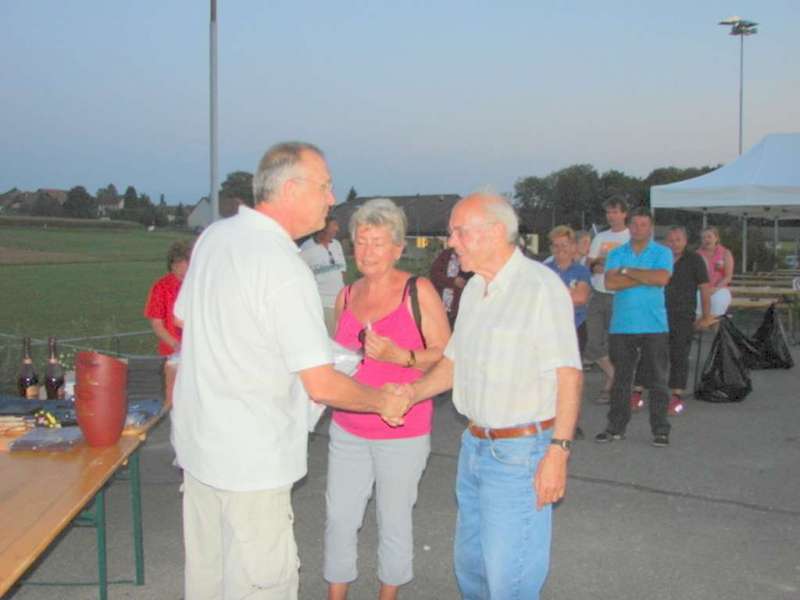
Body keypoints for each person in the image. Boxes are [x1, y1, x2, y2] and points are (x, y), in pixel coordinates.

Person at [171, 141, 409, 600]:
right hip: (252, 465)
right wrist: (383, 400)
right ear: (293, 188)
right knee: (262, 585)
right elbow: (320, 383)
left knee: (208, 581)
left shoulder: (215, 238)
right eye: (324, 186)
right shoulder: (283, 265)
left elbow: (191, 318)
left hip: (201, 452)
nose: (332, 198)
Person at [402, 193, 583, 599]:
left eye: (459, 231)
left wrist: (558, 453)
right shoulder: (473, 290)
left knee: (510, 580)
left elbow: (568, 375)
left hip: (520, 455)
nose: (451, 241)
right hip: (474, 448)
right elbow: (453, 362)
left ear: (496, 232)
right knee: (473, 571)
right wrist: (411, 393)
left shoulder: (540, 288)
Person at [325, 198, 450, 600]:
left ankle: (388, 595)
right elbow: (335, 355)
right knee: (340, 518)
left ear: (399, 248)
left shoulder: (418, 290)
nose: (367, 251)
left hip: (402, 429)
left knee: (393, 519)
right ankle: (336, 594)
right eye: (361, 242)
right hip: (347, 424)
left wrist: (402, 357)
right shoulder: (346, 295)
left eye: (378, 243)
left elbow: (448, 355)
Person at [594, 209, 673, 448]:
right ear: (629, 227)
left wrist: (627, 271)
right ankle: (615, 427)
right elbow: (610, 282)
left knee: (658, 380)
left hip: (654, 325)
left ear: (651, 228)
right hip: (623, 326)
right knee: (621, 380)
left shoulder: (663, 252)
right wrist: (644, 277)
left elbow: (661, 278)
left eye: (644, 224)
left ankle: (660, 429)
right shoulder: (617, 252)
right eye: (635, 225)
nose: (639, 228)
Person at [662, 226, 716, 414]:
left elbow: (704, 288)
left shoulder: (695, 260)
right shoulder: (660, 258)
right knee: (653, 353)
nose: (674, 244)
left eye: (678, 240)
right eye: (671, 240)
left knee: (679, 354)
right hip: (658, 313)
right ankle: (643, 392)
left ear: (685, 241)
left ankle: (676, 395)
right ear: (665, 242)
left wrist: (707, 315)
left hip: (683, 314)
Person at [585, 198, 630, 404]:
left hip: (621, 295)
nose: (611, 216)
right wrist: (595, 266)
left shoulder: (631, 237)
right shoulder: (600, 237)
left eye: (615, 212)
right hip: (598, 293)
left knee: (617, 343)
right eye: (608, 212)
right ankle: (613, 375)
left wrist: (615, 268)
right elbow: (589, 263)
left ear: (624, 214)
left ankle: (611, 386)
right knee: (592, 342)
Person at [144, 239, 192, 409]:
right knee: (173, 402)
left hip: (197, 351)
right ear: (175, 263)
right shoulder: (161, 288)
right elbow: (157, 324)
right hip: (173, 353)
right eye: (187, 262)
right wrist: (176, 344)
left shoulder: (196, 285)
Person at [301, 216, 347, 335]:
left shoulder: (336, 245)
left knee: (344, 338)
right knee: (331, 341)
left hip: (341, 303)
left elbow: (342, 272)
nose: (337, 229)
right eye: (334, 225)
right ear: (323, 228)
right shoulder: (306, 248)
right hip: (323, 305)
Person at [428, 246, 472, 327]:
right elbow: (434, 275)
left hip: (459, 312)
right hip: (440, 308)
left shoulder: (471, 257)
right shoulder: (445, 255)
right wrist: (452, 281)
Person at [697, 226, 734, 316]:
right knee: (697, 302)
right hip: (700, 289)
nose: (706, 240)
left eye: (709, 236)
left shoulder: (726, 253)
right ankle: (700, 327)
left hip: (720, 288)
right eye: (703, 238)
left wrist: (715, 288)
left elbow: (728, 277)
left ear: (716, 238)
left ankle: (716, 327)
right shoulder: (696, 254)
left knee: (718, 302)